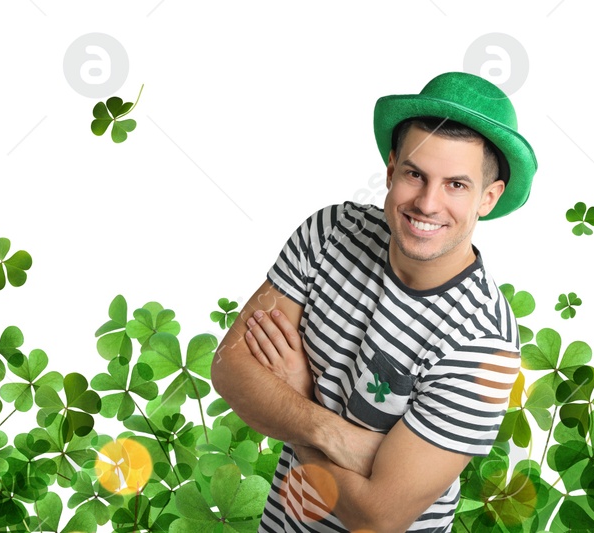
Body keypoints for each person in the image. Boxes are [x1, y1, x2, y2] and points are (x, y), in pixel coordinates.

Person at [209, 71, 538, 532]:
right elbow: (228, 366)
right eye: (415, 174)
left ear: (489, 197)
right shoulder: (328, 233)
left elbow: (377, 517)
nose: (427, 202)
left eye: (456, 185)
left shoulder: (484, 344)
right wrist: (334, 434)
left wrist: (299, 404)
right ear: (390, 170)